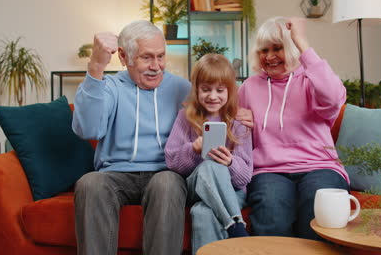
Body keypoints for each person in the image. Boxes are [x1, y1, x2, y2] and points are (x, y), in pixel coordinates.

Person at [72, 20, 191, 255]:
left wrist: (239, 112)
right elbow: (88, 130)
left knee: (167, 183)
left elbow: (216, 108)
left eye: (161, 56)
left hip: (164, 172)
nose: (156, 66)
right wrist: (96, 67)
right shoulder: (110, 86)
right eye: (147, 57)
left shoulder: (180, 87)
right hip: (116, 174)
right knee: (90, 183)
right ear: (124, 57)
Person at [238, 16, 350, 240]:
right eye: (264, 50)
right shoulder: (249, 87)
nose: (269, 56)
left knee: (318, 206)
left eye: (277, 48)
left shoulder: (311, 80)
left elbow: (333, 97)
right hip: (269, 170)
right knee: (271, 210)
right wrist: (239, 123)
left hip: (320, 165)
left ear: (290, 49)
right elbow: (234, 134)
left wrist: (301, 40)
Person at [165, 53, 253, 254]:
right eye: (205, 89)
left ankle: (232, 225)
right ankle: (236, 226)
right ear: (196, 89)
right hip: (196, 189)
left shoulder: (239, 121)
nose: (212, 96)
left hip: (232, 193)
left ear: (230, 91)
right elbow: (171, 162)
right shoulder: (185, 117)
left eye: (220, 90)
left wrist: (231, 163)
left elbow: (245, 177)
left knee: (202, 212)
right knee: (208, 165)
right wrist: (192, 150)